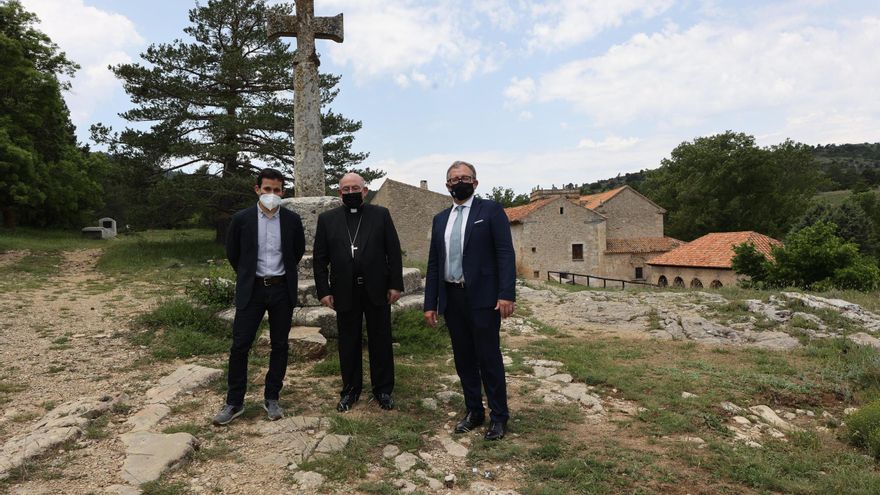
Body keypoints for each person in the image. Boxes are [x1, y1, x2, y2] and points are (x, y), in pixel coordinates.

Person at [423, 161, 516, 441]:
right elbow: (434, 263)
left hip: (484, 299)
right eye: (453, 179)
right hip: (453, 298)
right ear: (447, 185)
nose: (458, 182)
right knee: (463, 360)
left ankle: (499, 416)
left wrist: (506, 293)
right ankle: (474, 411)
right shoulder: (440, 219)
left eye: (464, 177)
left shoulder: (490, 210)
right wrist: (430, 303)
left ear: (475, 183)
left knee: (488, 358)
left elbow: (505, 253)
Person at [213, 168, 306, 426]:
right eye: (267, 189)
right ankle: (234, 402)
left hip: (280, 289)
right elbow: (234, 254)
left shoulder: (291, 220)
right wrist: (247, 276)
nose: (272, 195)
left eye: (277, 190)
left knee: (280, 345)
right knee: (240, 345)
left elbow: (295, 252)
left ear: (283, 192)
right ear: (257, 190)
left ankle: (272, 397)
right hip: (251, 289)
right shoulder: (241, 219)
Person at [313, 172, 404, 412]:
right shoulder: (327, 219)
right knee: (348, 342)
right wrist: (323, 290)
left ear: (365, 191)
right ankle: (350, 390)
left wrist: (395, 284)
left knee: (380, 340)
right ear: (339, 192)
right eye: (346, 189)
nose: (351, 193)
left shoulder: (381, 215)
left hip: (377, 289)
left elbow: (393, 252)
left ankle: (383, 390)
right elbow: (320, 259)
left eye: (356, 188)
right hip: (344, 290)